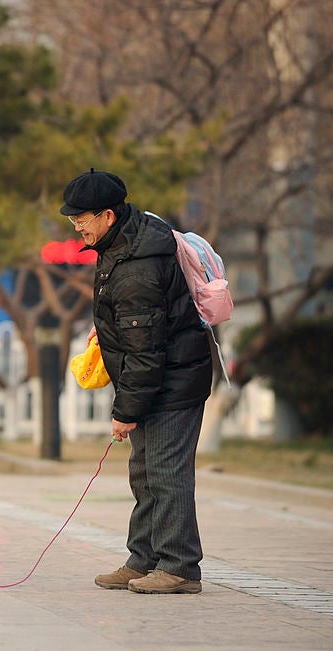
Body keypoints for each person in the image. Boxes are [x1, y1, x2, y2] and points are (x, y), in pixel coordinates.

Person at [62, 169, 212, 595]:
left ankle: (180, 566)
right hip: (158, 378)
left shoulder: (137, 266)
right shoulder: (124, 244)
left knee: (166, 474)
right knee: (145, 472)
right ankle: (145, 559)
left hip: (172, 382)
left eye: (82, 218)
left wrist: (125, 412)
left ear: (108, 215)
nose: (77, 227)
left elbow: (145, 349)